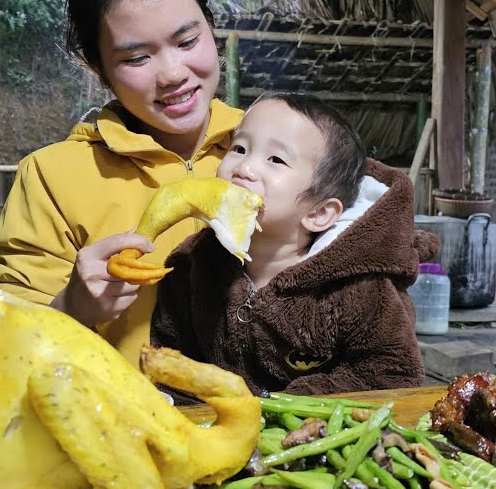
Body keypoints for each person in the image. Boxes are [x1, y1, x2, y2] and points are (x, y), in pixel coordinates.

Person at [0, 0, 243, 366]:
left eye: (186, 41)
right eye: (136, 58)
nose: (173, 74)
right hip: (118, 428)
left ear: (211, 25)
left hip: (276, 424)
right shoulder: (51, 176)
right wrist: (72, 307)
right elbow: (2, 350)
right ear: (98, 66)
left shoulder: (279, 151)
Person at [151, 93, 439, 396]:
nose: (243, 168)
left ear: (319, 213)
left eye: (275, 159)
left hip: (321, 435)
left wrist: (285, 407)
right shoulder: (191, 265)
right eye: (239, 148)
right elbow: (173, 363)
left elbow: (391, 372)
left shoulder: (357, 285)